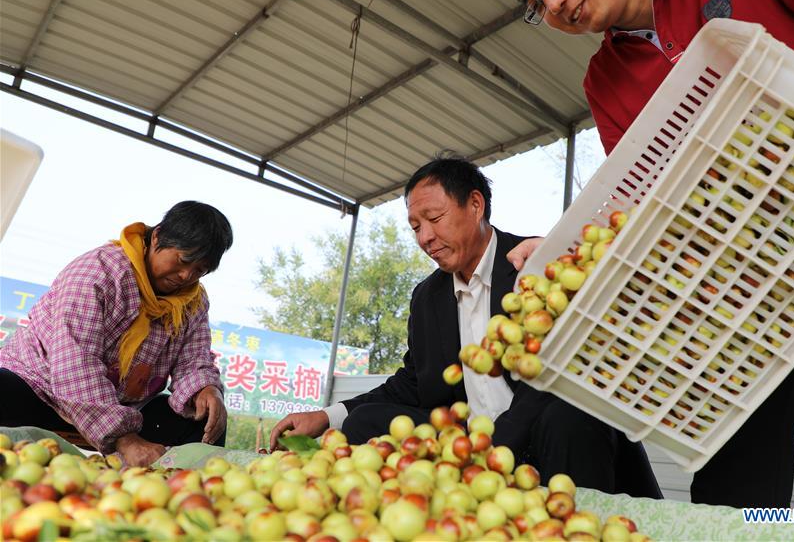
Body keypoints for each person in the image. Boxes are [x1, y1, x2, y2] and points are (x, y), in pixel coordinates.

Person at [490, 0, 794, 508]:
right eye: (536, 3)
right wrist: (574, 253)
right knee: (732, 495)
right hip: (754, 291)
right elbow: (648, 204)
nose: (555, 2)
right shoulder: (606, 80)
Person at [271, 156, 661, 496]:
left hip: (541, 434)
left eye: (435, 219)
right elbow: (412, 382)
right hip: (468, 438)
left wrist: (491, 450)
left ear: (475, 205)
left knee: (567, 413)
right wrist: (328, 416)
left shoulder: (537, 261)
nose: (425, 237)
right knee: (364, 421)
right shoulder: (427, 297)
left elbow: (558, 375)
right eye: (415, 227)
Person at [0, 201, 234, 467]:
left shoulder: (194, 301)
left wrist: (205, 389)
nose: (186, 276)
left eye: (200, 270)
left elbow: (193, 360)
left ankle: (185, 495)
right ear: (157, 236)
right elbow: (75, 363)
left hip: (123, 407)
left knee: (206, 417)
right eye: (183, 261)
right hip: (41, 388)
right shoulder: (97, 272)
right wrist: (126, 439)